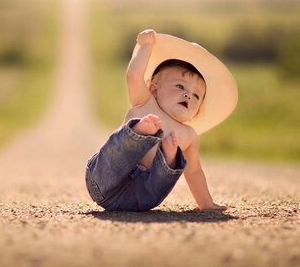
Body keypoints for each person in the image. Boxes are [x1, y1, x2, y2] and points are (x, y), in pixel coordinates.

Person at [85, 29, 238, 211]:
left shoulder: (189, 135)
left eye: (196, 95)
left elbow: (194, 172)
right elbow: (134, 75)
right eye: (180, 86)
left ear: (197, 113)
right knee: (127, 142)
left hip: (139, 199)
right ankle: (139, 132)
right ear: (154, 89)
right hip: (104, 179)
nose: (188, 95)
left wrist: (206, 203)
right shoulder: (144, 101)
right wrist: (145, 45)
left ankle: (167, 157)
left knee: (170, 167)